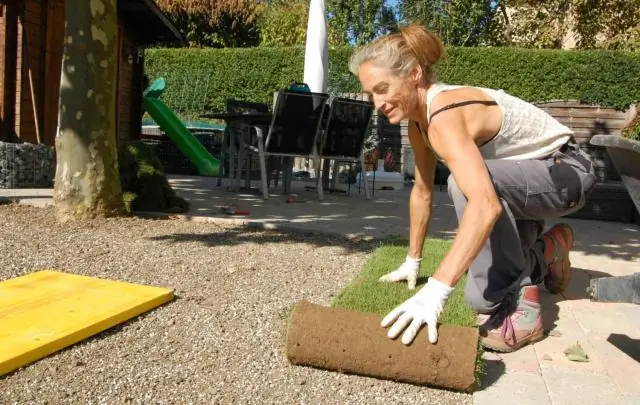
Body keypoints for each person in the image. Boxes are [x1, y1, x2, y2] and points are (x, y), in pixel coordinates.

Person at [348, 24, 597, 353]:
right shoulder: (419, 123)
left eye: (382, 88)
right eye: (371, 94)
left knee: (484, 292)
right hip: (525, 182)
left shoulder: (443, 114)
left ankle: (527, 312)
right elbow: (422, 192)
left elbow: (485, 205)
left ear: (414, 74)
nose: (377, 102)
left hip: (569, 172)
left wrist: (437, 289)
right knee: (494, 273)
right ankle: (551, 249)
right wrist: (413, 261)